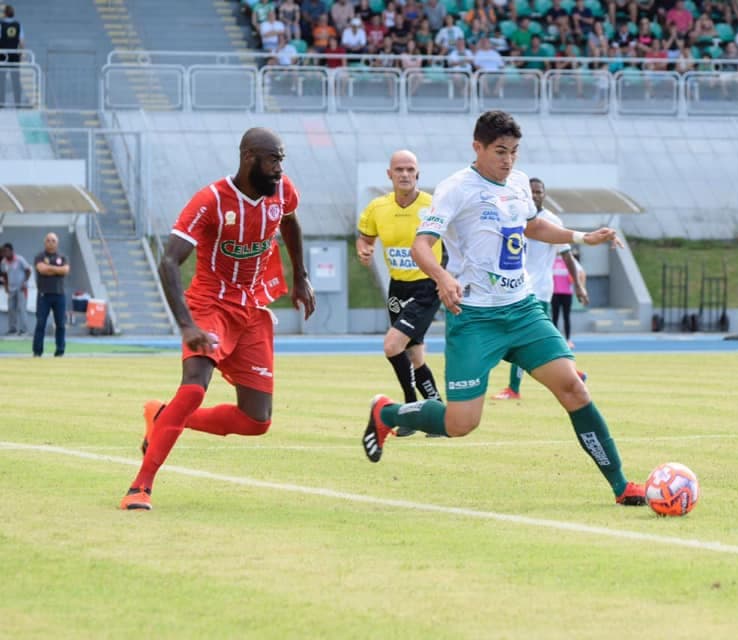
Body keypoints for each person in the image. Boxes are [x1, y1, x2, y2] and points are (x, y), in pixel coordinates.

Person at [361, 110, 647, 507]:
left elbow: (533, 227)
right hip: (475, 318)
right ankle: (388, 414)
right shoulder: (454, 189)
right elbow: (421, 246)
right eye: (500, 151)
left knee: (574, 389)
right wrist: (444, 279)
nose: (508, 160)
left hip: (523, 311)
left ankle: (621, 486)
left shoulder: (517, 183)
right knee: (461, 424)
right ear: (477, 148)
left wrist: (583, 235)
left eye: (514, 151)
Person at [119, 128, 316, 510]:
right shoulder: (210, 201)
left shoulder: (281, 190)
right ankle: (139, 487)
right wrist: (187, 325)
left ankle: (164, 417)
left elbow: (290, 223)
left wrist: (301, 276)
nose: (279, 168)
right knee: (194, 388)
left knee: (257, 421)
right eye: (273, 159)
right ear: (248, 158)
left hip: (253, 309)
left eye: (282, 160)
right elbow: (169, 262)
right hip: (210, 306)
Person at [356, 150, 444, 436]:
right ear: (389, 174)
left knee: (392, 346)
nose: (405, 174)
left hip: (427, 286)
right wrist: (364, 249)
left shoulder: (434, 206)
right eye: (399, 170)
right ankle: (437, 412)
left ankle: (409, 411)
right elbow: (365, 238)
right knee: (415, 356)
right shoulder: (377, 207)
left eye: (410, 169)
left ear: (418, 174)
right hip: (398, 287)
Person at [491, 177, 588, 400]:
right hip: (515, 287)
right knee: (537, 339)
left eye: (538, 191)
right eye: (531, 192)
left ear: (544, 194)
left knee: (522, 338)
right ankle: (573, 373)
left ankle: (514, 389)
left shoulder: (552, 220)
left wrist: (580, 287)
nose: (535, 195)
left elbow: (568, 257)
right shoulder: (515, 215)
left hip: (540, 290)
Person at [33, 233, 70, 357]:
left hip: (59, 295)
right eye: (48, 240)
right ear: (45, 242)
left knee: (60, 324)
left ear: (57, 243)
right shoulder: (40, 256)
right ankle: (37, 351)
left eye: (53, 240)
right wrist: (57, 270)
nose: (51, 242)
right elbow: (41, 269)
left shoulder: (63, 257)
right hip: (44, 295)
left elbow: (65, 270)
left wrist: (50, 269)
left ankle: (60, 351)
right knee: (40, 323)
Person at [552, 246, 585, 348]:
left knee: (566, 317)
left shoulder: (569, 260)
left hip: (567, 293)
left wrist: (582, 287)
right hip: (554, 293)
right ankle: (555, 340)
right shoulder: (551, 259)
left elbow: (581, 273)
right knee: (555, 317)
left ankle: (568, 340)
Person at [1, 242, 30, 335]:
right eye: (3, 252)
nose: (5, 253)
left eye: (6, 251)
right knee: (11, 309)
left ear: (11, 251)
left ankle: (24, 330)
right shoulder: (3, 262)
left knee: (22, 309)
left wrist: (24, 282)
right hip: (11, 289)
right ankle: (12, 329)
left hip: (21, 288)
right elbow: (4, 275)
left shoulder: (20, 259)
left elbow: (28, 270)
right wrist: (6, 286)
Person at [0, 4, 24, 107]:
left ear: (5, 14)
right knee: (16, 79)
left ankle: (1, 103)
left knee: (1, 80)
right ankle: (18, 102)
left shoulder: (1, 25)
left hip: (3, 55)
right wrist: (22, 53)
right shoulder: (18, 25)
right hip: (14, 55)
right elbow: (22, 42)